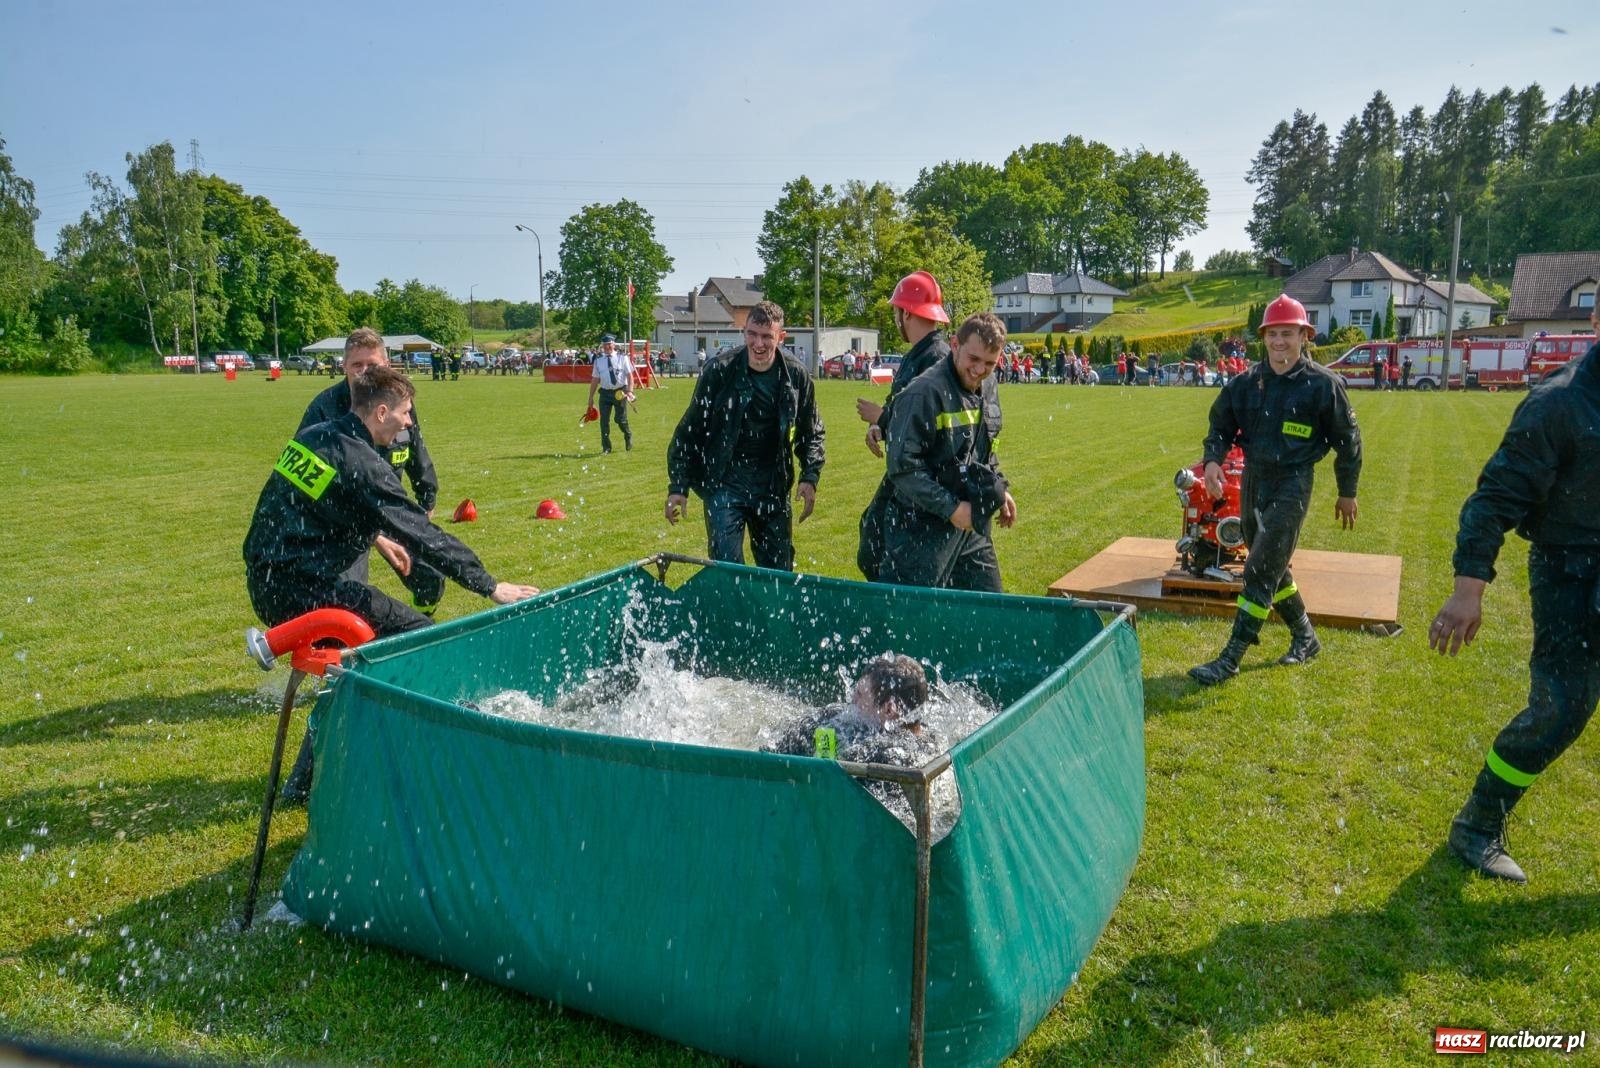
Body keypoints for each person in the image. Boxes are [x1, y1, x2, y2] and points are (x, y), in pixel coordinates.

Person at [246, 365, 540, 801]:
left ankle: (305, 780)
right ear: (381, 411)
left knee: (352, 662)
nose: (409, 423)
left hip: (268, 577)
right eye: (405, 413)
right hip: (303, 589)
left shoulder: (318, 435)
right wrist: (488, 585)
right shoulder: (362, 462)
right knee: (416, 637)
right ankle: (439, 748)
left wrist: (376, 536)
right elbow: (422, 532)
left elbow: (327, 504)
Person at [1429, 307, 1600, 883]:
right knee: (1562, 707)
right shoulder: (1559, 405)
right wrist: (1466, 592)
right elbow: (1493, 500)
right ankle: (1478, 823)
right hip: (1571, 571)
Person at [1188, 294, 1362, 685]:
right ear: (1263, 338)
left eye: (1288, 333)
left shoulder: (1323, 386)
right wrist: (1213, 459)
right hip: (1254, 479)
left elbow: (1348, 440)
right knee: (1273, 564)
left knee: (1260, 567)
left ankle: (1230, 658)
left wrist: (1346, 491)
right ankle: (1305, 637)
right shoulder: (1246, 384)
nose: (1279, 342)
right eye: (1273, 335)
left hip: (1293, 482)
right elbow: (1219, 425)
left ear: (1304, 336)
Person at [665, 301, 825, 570]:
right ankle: (732, 613)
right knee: (727, 569)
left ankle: (770, 613)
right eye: (752, 334)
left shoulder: (795, 375)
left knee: (778, 571)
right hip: (724, 483)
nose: (758, 344)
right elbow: (689, 430)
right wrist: (678, 486)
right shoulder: (719, 371)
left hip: (772, 486)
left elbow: (811, 432)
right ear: (744, 332)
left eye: (766, 336)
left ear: (780, 337)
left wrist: (810, 476)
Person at [299, 328, 446, 617]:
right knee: (346, 602)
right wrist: (375, 534)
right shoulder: (323, 409)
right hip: (341, 523)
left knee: (431, 579)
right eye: (357, 365)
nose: (365, 373)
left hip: (388, 508)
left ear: (387, 366)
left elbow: (416, 450)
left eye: (373, 366)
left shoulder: (400, 403)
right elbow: (306, 478)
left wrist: (426, 499)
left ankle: (421, 627)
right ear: (343, 367)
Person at [879, 312, 1016, 592]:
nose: (979, 370)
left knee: (990, 611)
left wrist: (998, 489)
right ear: (955, 345)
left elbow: (984, 448)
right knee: (910, 621)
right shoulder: (923, 393)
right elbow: (902, 468)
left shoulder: (988, 385)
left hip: (969, 524)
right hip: (918, 528)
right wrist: (951, 508)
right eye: (973, 359)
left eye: (989, 363)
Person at [855, 270, 952, 580]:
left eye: (897, 311)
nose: (896, 318)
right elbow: (905, 406)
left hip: (919, 475)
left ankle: (894, 611)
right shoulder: (919, 354)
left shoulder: (935, 358)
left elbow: (926, 425)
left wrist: (880, 418)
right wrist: (882, 427)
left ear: (906, 313)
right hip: (903, 468)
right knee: (871, 539)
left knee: (888, 552)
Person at [584, 334, 636, 454]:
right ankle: (606, 447)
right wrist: (590, 398)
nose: (607, 347)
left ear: (614, 345)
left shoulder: (623, 358)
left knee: (620, 419)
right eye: (605, 345)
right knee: (604, 422)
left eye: (609, 344)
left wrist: (630, 391)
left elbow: (630, 376)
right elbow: (595, 380)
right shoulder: (598, 361)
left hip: (620, 392)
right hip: (605, 393)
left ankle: (627, 434)